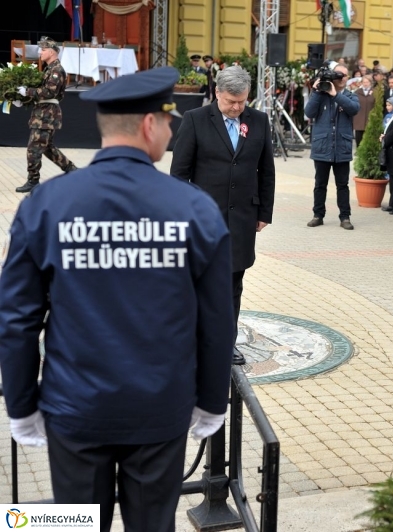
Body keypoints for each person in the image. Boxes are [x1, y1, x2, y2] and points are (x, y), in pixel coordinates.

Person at [0, 67, 234, 532]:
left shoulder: (45, 205)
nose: (170, 133)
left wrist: (21, 404)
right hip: (159, 410)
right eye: (169, 122)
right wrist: (211, 401)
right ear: (150, 124)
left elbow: (17, 320)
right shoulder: (194, 209)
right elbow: (216, 321)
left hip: (74, 409)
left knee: (75, 526)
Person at [170, 65, 276, 365]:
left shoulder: (258, 121)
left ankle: (224, 343)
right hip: (203, 221)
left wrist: (264, 212)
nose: (237, 107)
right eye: (231, 101)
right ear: (217, 93)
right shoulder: (195, 120)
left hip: (242, 219)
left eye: (242, 101)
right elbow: (179, 174)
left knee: (232, 286)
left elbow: (266, 170)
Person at [15, 36, 78, 193]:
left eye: (43, 50)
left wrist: (27, 91)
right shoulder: (49, 69)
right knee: (47, 148)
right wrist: (25, 100)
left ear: (51, 52)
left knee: (33, 148)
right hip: (43, 112)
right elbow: (43, 94)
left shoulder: (56, 70)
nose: (40, 53)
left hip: (47, 115)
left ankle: (33, 180)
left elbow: (49, 92)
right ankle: (73, 171)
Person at [303, 63, 359, 230]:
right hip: (322, 147)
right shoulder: (320, 95)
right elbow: (309, 113)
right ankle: (318, 215)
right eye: (338, 74)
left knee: (342, 185)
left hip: (341, 147)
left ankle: (345, 217)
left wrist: (335, 95)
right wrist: (316, 92)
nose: (341, 77)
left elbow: (354, 109)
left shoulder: (349, 96)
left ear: (348, 79)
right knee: (320, 184)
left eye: (344, 75)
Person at [353, 74, 375, 147]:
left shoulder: (374, 92)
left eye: (367, 82)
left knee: (368, 135)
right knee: (359, 135)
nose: (365, 84)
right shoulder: (357, 92)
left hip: (370, 117)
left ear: (370, 83)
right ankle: (358, 149)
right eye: (364, 82)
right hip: (359, 117)